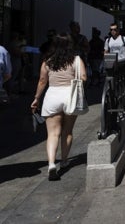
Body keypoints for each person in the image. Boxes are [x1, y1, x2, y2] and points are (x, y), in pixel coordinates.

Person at [30, 33, 87, 181]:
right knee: (67, 132)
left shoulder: (48, 61)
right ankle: (64, 160)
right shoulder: (76, 59)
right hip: (70, 96)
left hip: (52, 96)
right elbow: (84, 77)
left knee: (52, 134)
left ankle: (50, 164)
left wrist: (36, 99)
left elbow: (42, 81)